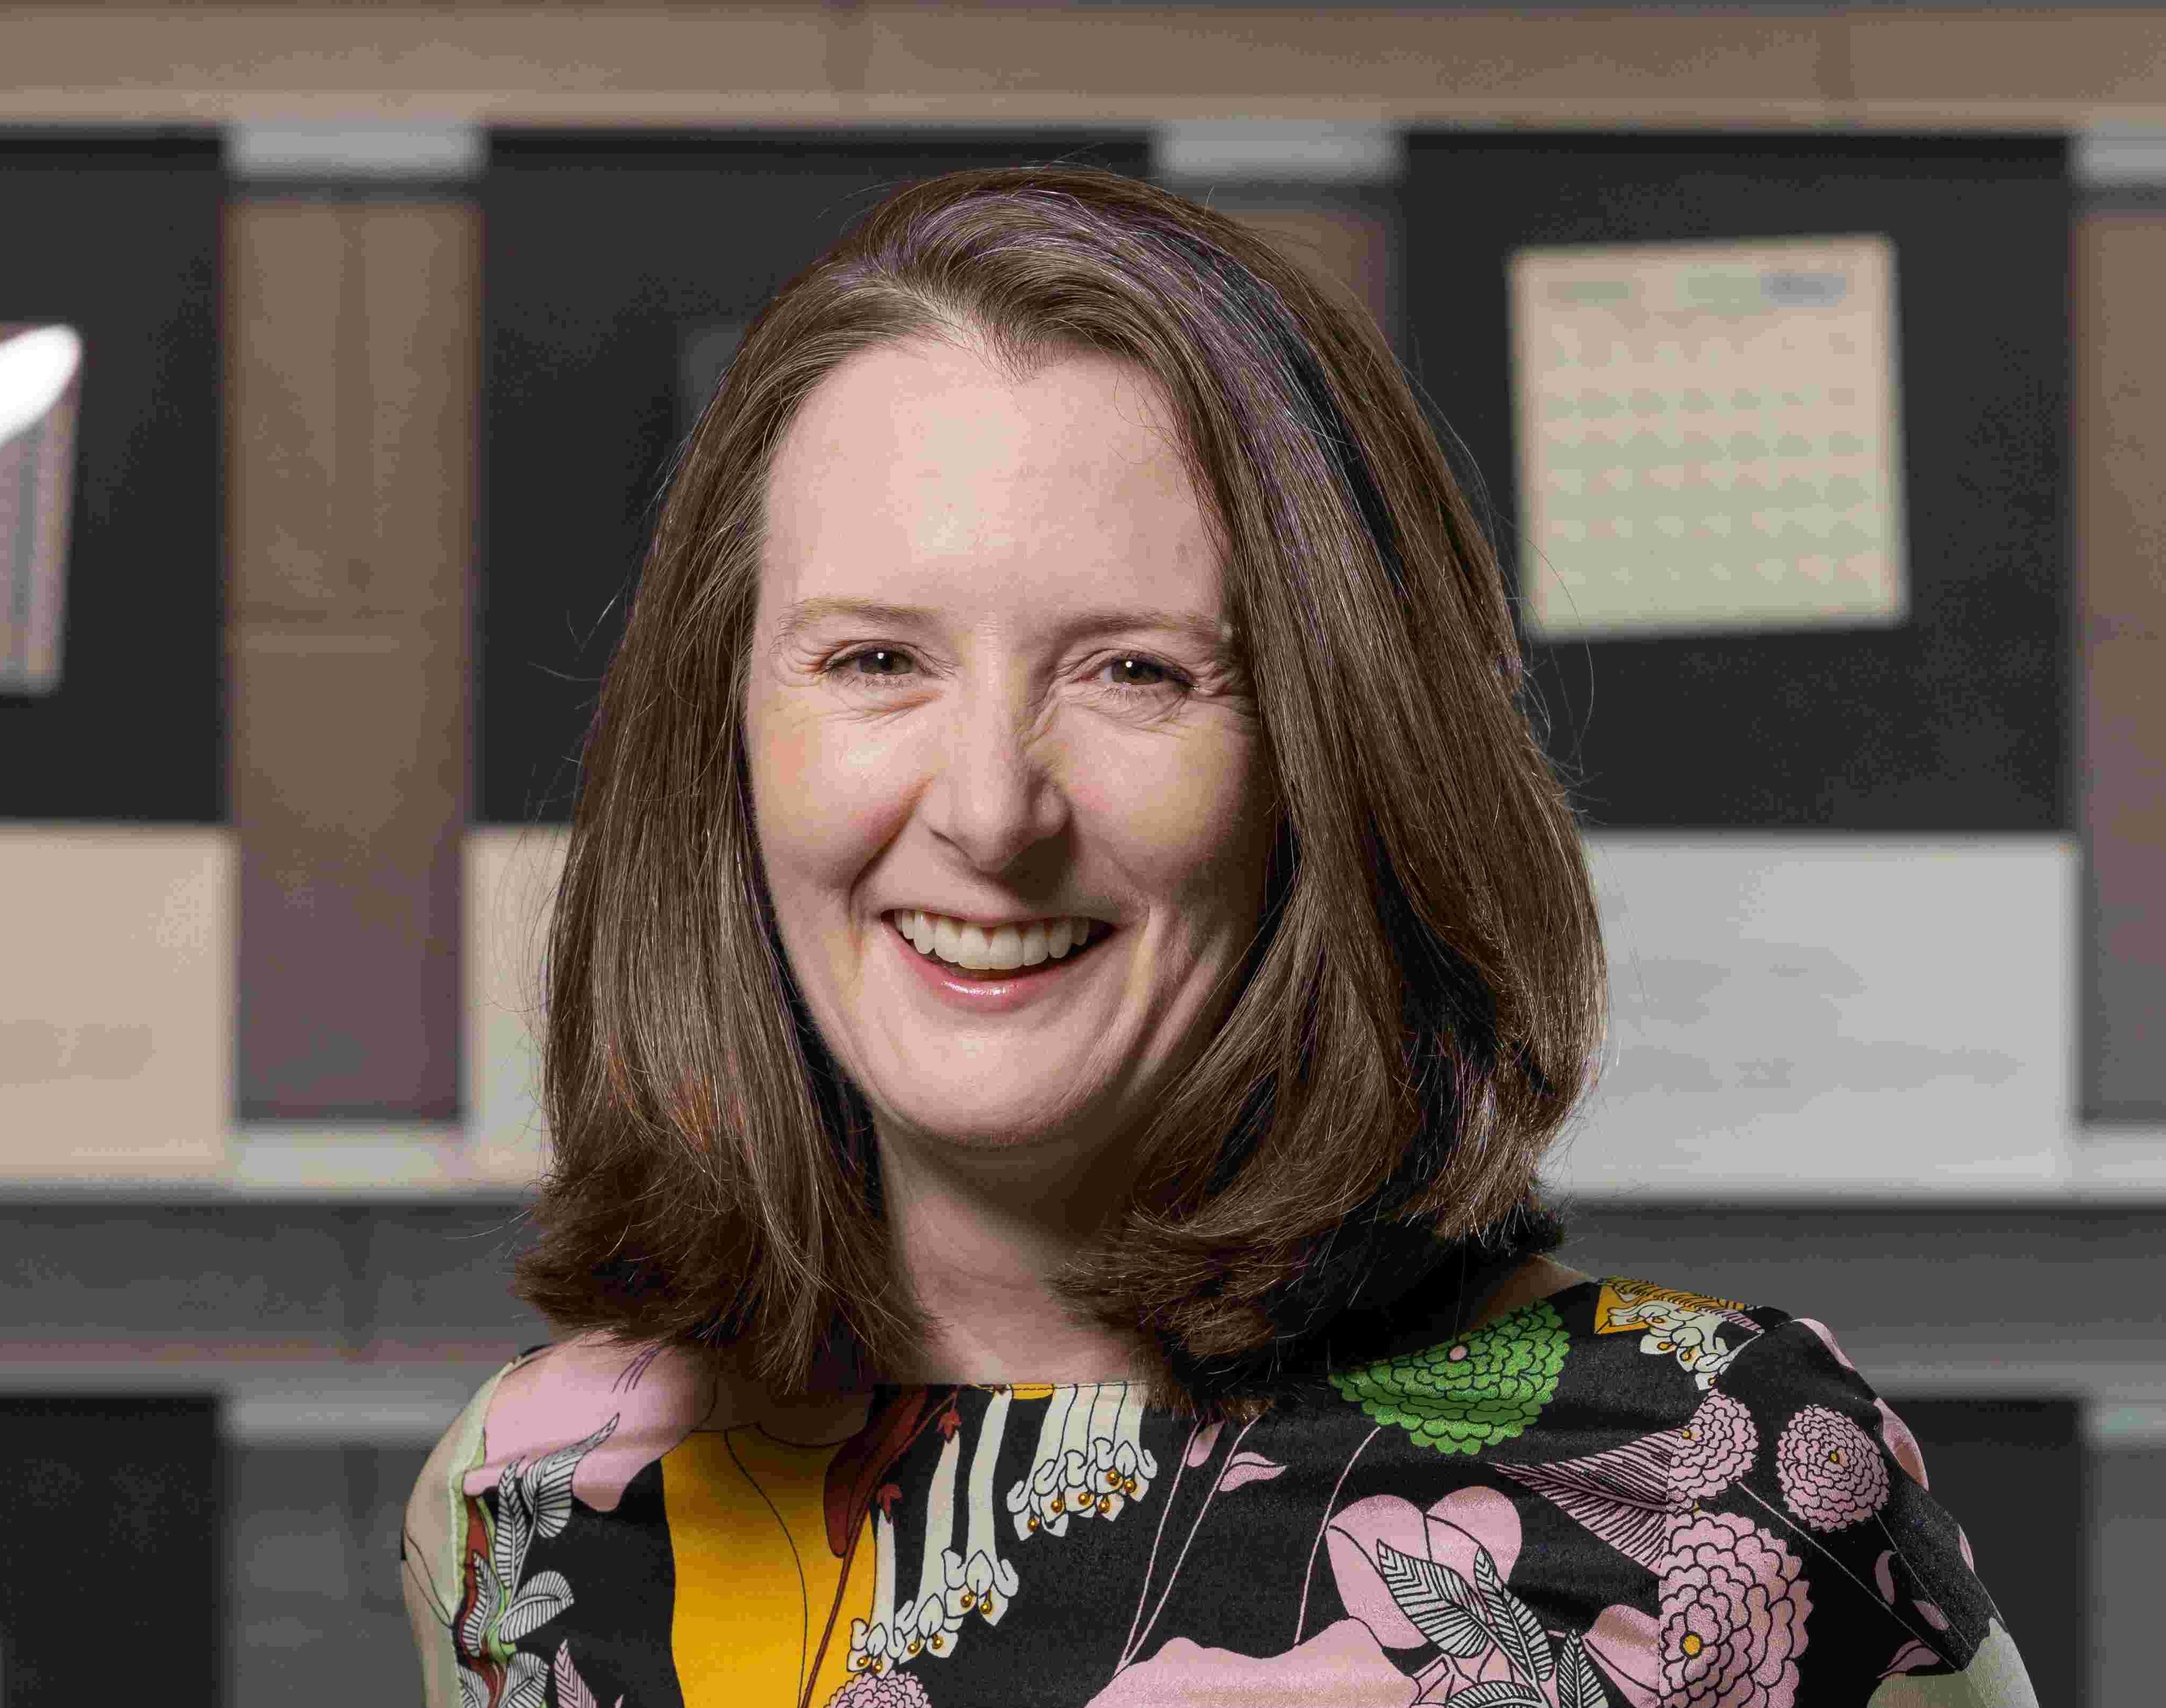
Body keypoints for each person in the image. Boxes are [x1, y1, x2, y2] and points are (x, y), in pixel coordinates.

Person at [402, 166, 2036, 1708]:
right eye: (877, 660)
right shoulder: (541, 1486)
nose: (990, 810)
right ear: (728, 738)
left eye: (1137, 671)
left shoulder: (1729, 1480)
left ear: (1338, 761)